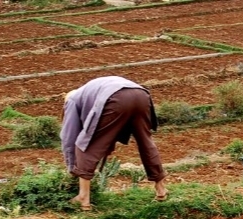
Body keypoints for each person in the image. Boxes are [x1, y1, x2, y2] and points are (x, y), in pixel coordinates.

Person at [60, 76, 167, 211]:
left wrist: (72, 169)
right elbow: (107, 135)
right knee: (145, 141)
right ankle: (161, 190)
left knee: (85, 143)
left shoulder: (71, 100)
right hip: (141, 94)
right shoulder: (89, 91)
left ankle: (83, 197)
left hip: (115, 97)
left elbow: (69, 138)